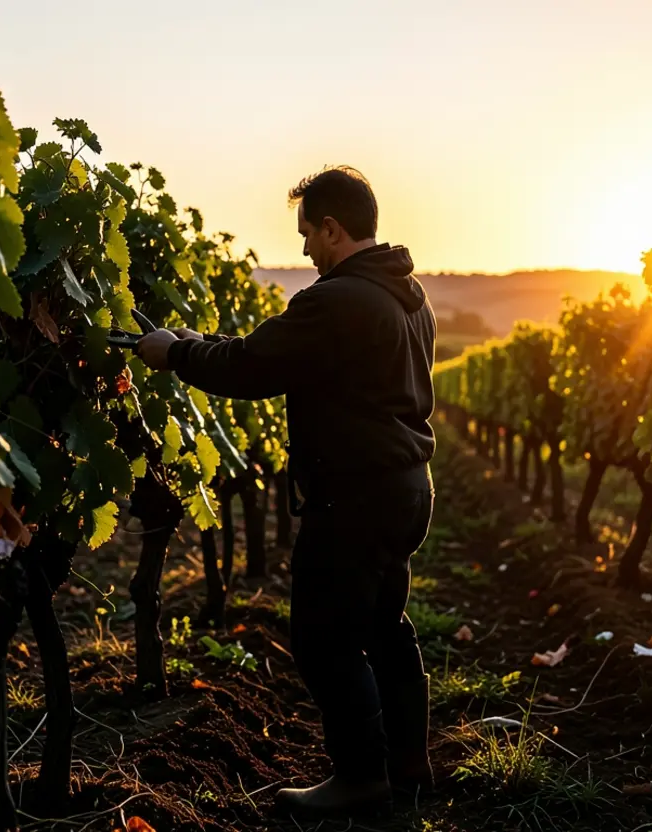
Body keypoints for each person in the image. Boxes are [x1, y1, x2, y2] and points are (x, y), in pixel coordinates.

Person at [135, 166, 437, 818]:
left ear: (332, 227)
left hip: (355, 499)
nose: (304, 249)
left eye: (307, 233)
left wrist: (174, 355)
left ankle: (362, 779)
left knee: (325, 641)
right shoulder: (406, 296)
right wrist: (197, 344)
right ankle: (409, 764)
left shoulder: (338, 300)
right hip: (405, 490)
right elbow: (267, 352)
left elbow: (253, 367)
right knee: (384, 627)